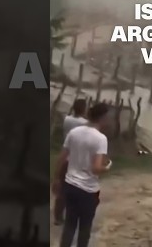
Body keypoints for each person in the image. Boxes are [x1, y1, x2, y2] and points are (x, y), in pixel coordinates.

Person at [52, 102, 112, 247]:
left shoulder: (74, 132)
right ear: (102, 118)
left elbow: (62, 158)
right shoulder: (101, 139)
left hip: (70, 185)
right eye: (107, 117)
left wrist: (56, 179)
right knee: (84, 228)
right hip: (88, 190)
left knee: (70, 225)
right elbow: (96, 168)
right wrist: (108, 167)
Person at [54, 99, 89, 225]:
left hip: (66, 157)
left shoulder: (67, 119)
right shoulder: (85, 123)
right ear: (84, 109)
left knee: (62, 190)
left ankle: (58, 217)